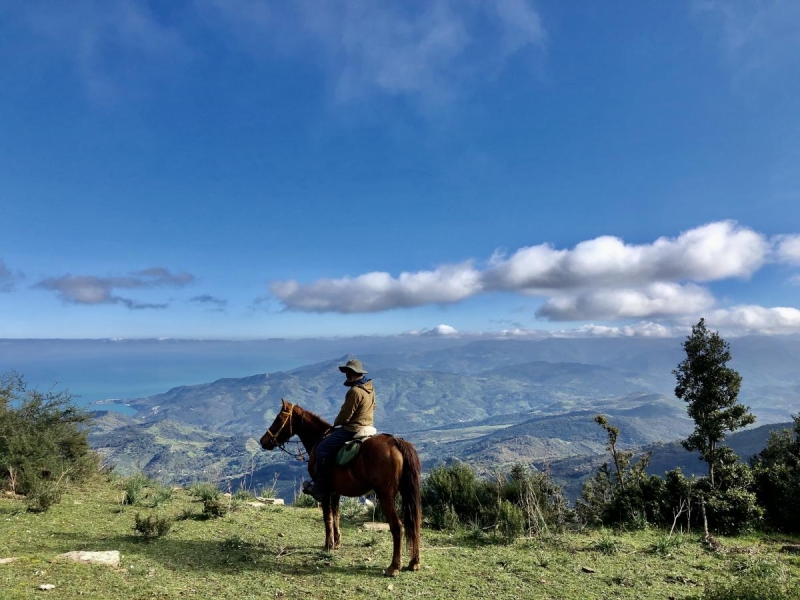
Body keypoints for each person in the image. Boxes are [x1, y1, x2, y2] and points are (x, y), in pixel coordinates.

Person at [302, 358, 376, 500]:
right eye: (346, 372)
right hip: (369, 426)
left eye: (348, 373)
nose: (347, 375)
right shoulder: (370, 387)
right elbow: (374, 407)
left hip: (353, 429)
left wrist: (336, 423)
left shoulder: (355, 391)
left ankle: (321, 487)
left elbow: (345, 414)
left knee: (321, 449)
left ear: (354, 373)